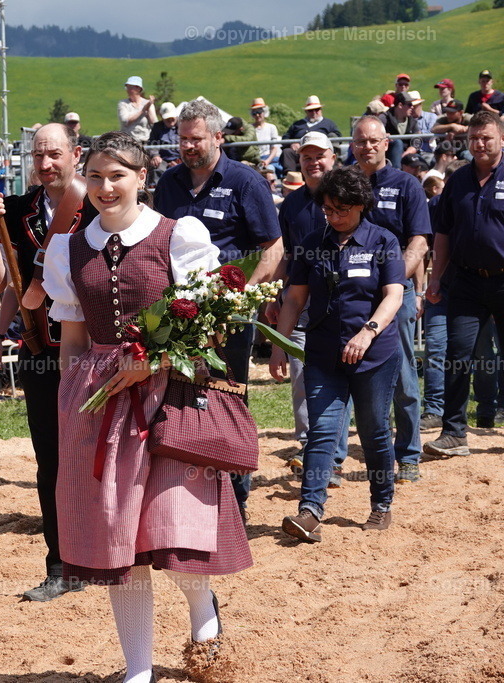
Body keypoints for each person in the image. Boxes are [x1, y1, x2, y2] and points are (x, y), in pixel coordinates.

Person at [42, 131, 248, 680]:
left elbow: (208, 325)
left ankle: (203, 613)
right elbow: (73, 335)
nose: (105, 187)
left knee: (173, 526)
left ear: (141, 177)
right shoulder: (68, 247)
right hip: (100, 401)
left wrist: (152, 361)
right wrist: (71, 398)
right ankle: (138, 670)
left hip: (171, 396)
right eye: (95, 176)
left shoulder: (178, 235)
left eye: (117, 175)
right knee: (122, 540)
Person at [0, 122, 98, 601]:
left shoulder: (100, 202)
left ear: (76, 154)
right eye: (38, 155)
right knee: (51, 461)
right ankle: (61, 564)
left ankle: (112, 553)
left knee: (105, 456)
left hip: (102, 352)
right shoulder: (14, 210)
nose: (45, 164)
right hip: (43, 352)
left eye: (54, 154)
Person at [153, 98, 283, 519]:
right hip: (178, 315)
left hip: (228, 318)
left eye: (196, 139)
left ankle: (235, 500)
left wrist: (240, 300)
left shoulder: (246, 182)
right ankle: (185, 492)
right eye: (182, 139)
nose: (188, 146)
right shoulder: (168, 183)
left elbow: (273, 247)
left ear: (217, 138)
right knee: (178, 397)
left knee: (227, 398)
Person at [273, 165, 405, 541]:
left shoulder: (383, 241)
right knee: (322, 431)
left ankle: (381, 503)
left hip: (374, 356)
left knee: (374, 430)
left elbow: (394, 295)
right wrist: (280, 345)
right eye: (328, 209)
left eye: (341, 209)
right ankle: (310, 511)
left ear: (361, 205)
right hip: (323, 354)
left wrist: (368, 331)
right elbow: (294, 299)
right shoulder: (312, 242)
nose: (333, 216)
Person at [349, 116, 430, 483]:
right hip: (351, 293)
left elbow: (419, 242)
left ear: (386, 144)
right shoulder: (345, 184)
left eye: (373, 141)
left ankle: (409, 454)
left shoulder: (406, 185)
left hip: (394, 293)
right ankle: (338, 456)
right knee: (345, 370)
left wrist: (394, 281)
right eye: (360, 141)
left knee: (403, 376)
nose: (367, 147)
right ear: (352, 146)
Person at [424, 112, 504, 458]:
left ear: (501, 139)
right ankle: (454, 432)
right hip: (466, 281)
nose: (479, 144)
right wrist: (435, 277)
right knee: (457, 355)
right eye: (474, 138)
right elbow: (442, 232)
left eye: (486, 137)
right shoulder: (457, 180)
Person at [272, 132, 348, 484]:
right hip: (302, 302)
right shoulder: (291, 205)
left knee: (340, 378)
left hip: (344, 303)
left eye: (320, 156)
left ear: (333, 158)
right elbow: (283, 255)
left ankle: (333, 454)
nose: (313, 162)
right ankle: (309, 445)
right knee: (302, 375)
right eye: (306, 157)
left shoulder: (349, 197)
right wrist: (274, 297)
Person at [279, 96, 341, 175]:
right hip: (300, 152)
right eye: (310, 110)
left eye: (317, 110)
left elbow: (337, 138)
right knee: (287, 152)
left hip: (320, 152)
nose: (314, 112)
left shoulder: (329, 124)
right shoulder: (297, 124)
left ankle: (328, 174)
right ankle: (291, 176)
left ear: (321, 110)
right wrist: (292, 143)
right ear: (306, 112)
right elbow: (285, 138)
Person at [117, 76, 157, 143]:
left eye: (130, 87)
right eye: (127, 87)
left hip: (145, 141)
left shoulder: (147, 103)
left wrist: (149, 108)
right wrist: (143, 110)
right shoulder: (123, 104)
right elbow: (125, 121)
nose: (127, 90)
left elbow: (154, 123)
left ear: (138, 88)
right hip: (128, 142)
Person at [249, 98, 281, 171]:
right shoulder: (249, 128)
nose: (257, 115)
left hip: (269, 159)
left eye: (259, 112)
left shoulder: (271, 127)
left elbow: (274, 148)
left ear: (264, 112)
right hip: (254, 160)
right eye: (254, 113)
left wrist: (267, 161)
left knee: (269, 171)